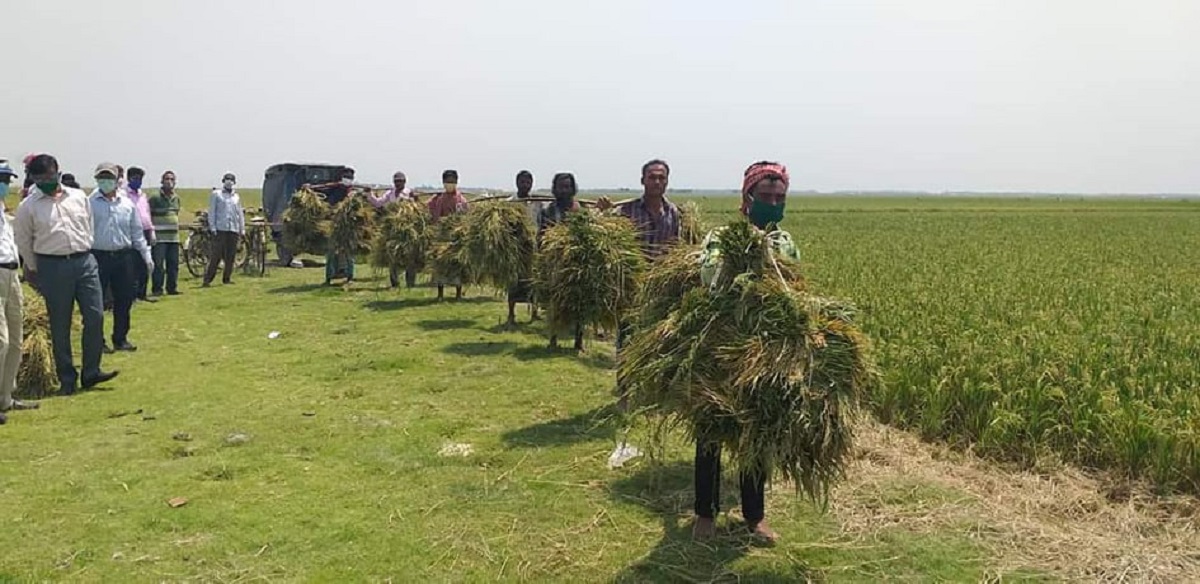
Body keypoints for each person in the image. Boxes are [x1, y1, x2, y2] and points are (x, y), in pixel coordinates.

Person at [691, 161, 791, 544]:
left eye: (779, 198)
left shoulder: (785, 242)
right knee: (712, 430)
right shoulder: (723, 237)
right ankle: (705, 513)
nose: (772, 203)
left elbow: (793, 286)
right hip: (723, 345)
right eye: (765, 197)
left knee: (757, 432)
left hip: (765, 350)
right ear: (747, 198)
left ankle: (755, 516)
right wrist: (745, 264)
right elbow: (710, 278)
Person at [14, 154, 118, 395]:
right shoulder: (28, 206)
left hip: (84, 261)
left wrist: (86, 249)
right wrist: (33, 268)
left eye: (49, 177)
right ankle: (67, 378)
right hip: (52, 266)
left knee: (95, 316)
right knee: (60, 324)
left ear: (58, 172)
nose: (45, 182)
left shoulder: (78, 197)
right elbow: (24, 240)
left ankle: (91, 371)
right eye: (39, 179)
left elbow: (88, 226)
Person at [89, 163, 153, 352]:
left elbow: (136, 232)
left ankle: (120, 338)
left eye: (109, 177)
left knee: (124, 299)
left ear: (117, 180)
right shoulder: (89, 202)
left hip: (124, 256)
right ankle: (97, 341)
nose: (105, 181)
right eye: (102, 177)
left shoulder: (127, 204)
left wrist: (146, 255)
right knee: (96, 301)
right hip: (98, 256)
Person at [0, 161, 36, 424]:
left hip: (12, 274)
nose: (4, 184)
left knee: (15, 339)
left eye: (6, 180)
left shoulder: (3, 210)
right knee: (0, 341)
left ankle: (6, 398)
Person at [537, 173, 585, 350]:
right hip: (554, 264)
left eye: (567, 187)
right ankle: (553, 339)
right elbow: (540, 237)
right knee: (554, 303)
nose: (564, 191)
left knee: (579, 303)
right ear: (554, 189)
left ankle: (578, 341)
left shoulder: (581, 211)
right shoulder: (548, 211)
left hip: (577, 264)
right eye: (560, 187)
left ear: (573, 189)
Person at [505, 170, 541, 326]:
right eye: (522, 182)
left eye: (528, 182)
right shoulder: (510, 202)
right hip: (516, 246)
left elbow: (540, 220)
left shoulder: (537, 202)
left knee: (533, 279)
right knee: (513, 281)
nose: (525, 185)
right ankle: (511, 314)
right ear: (516, 183)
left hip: (533, 246)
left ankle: (534, 312)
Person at [370, 171, 418, 288]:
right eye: (396, 181)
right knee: (392, 254)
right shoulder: (389, 194)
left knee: (409, 254)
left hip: (407, 226)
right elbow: (378, 203)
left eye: (400, 181)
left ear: (404, 182)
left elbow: (416, 207)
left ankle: (410, 282)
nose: (398, 183)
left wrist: (413, 200)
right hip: (392, 227)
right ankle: (394, 282)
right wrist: (369, 194)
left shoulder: (408, 193)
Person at [309, 168, 357, 285]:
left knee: (348, 253)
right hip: (331, 224)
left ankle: (349, 277)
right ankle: (329, 278)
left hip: (347, 225)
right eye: (346, 177)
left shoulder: (353, 192)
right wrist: (309, 187)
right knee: (330, 252)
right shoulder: (334, 188)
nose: (347, 180)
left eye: (350, 178)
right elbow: (321, 189)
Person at [428, 169, 469, 301]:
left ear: (456, 182)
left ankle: (458, 294)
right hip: (442, 235)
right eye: (447, 181)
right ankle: (440, 294)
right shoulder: (440, 199)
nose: (449, 184)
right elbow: (435, 214)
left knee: (457, 264)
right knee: (440, 263)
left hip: (456, 235)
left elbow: (465, 217)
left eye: (452, 181)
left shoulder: (461, 200)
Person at [203, 172, 245, 287]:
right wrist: (213, 227)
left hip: (233, 229)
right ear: (223, 181)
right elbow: (212, 212)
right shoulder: (217, 194)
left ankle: (227, 278)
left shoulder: (236, 196)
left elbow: (239, 213)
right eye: (227, 179)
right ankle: (207, 279)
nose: (229, 181)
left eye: (231, 180)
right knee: (216, 255)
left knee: (230, 256)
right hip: (220, 228)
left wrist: (242, 228)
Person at [123, 167, 156, 303]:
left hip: (146, 230)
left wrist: (152, 230)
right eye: (135, 178)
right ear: (129, 178)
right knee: (133, 264)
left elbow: (147, 213)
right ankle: (133, 294)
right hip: (132, 232)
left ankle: (143, 293)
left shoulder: (142, 195)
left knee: (145, 264)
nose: (138, 181)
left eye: (140, 179)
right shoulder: (124, 194)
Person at [149, 170, 182, 296]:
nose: (169, 182)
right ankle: (157, 289)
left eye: (172, 179)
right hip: (159, 238)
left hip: (173, 237)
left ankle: (172, 288)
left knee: (173, 265)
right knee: (158, 265)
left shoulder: (176, 198)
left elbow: (176, 213)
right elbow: (149, 215)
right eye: (167, 179)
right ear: (162, 181)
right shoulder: (155, 197)